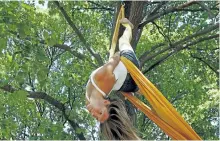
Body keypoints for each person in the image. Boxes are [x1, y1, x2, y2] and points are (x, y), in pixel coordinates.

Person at [86, 18, 141, 140]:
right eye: (100, 112)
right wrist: (112, 59)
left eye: (96, 117)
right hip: (131, 68)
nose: (93, 113)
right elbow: (117, 57)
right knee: (123, 41)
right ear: (105, 102)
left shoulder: (88, 100)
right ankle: (128, 27)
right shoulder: (102, 77)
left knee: (136, 88)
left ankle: (136, 91)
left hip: (123, 86)